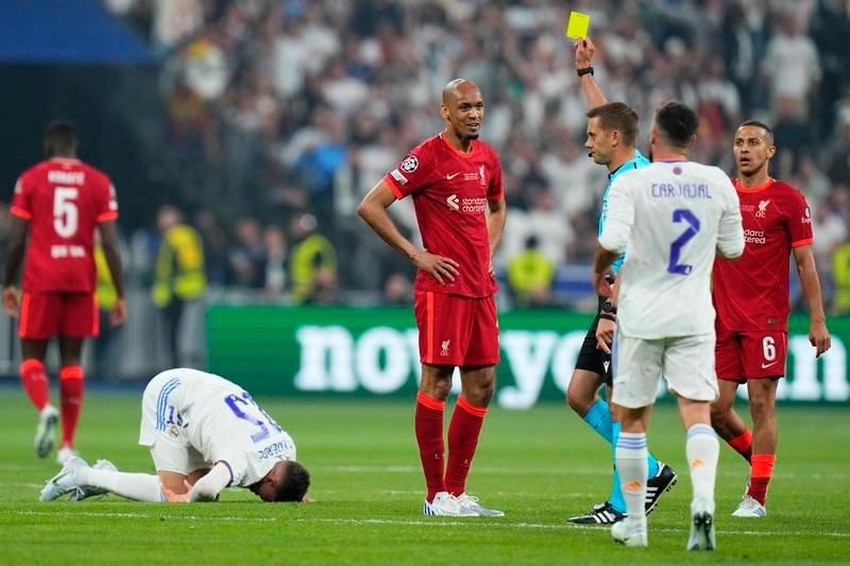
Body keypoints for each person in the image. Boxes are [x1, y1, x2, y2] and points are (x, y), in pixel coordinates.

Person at [592, 101, 745, 549]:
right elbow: (733, 249)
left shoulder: (633, 182)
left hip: (640, 315)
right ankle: (703, 505)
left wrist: (597, 267)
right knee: (696, 414)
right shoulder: (716, 180)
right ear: (693, 140)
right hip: (694, 314)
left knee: (633, 417)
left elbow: (613, 241)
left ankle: (636, 525)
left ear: (653, 139)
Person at [357, 78, 507, 517]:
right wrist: (416, 254)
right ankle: (434, 496)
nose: (475, 114)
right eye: (465, 107)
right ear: (445, 111)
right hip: (442, 290)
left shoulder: (487, 158)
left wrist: (487, 251)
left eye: (479, 106)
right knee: (438, 383)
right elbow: (370, 205)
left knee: (482, 386)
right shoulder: (426, 157)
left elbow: (498, 206)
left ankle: (456, 494)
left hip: (481, 289)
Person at [566, 38, 677, 525]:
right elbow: (609, 118)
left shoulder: (631, 186)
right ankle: (649, 470)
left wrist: (611, 314)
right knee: (579, 394)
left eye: (593, 137)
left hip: (628, 301)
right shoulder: (632, 167)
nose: (587, 142)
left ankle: (622, 503)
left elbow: (630, 255)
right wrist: (585, 74)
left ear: (613, 139)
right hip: (615, 300)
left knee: (619, 405)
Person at [709, 121, 831, 517]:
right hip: (721, 319)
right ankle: (758, 462)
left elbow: (805, 263)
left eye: (754, 143)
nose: (745, 149)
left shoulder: (788, 200)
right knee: (714, 408)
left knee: (762, 404)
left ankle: (756, 497)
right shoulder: (719, 195)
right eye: (739, 142)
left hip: (765, 319)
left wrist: (817, 320)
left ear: (770, 151)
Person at [2, 120, 126, 464]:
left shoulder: (30, 179)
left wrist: (7, 283)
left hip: (41, 278)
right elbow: (111, 244)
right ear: (75, 148)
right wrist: (120, 293)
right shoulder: (99, 182)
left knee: (31, 357)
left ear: (48, 148)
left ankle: (44, 408)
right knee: (72, 362)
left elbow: (16, 240)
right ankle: (67, 446)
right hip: (80, 281)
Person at [39, 368, 310, 504]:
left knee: (198, 497)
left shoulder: (287, 448)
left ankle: (105, 476)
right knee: (177, 495)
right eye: (267, 497)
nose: (261, 498)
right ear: (272, 479)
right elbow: (206, 488)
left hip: (209, 394)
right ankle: (82, 474)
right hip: (172, 396)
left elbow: (290, 475)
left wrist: (295, 497)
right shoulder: (243, 460)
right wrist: (188, 497)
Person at [151, 204, 207, 368]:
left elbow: (188, 263)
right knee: (174, 337)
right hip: (175, 292)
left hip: (180, 292)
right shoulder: (173, 235)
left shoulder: (180, 235)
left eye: (165, 215)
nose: (161, 219)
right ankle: (175, 369)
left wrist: (173, 281)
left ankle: (178, 370)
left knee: (179, 338)